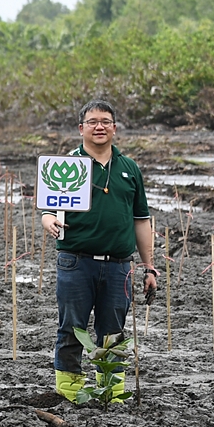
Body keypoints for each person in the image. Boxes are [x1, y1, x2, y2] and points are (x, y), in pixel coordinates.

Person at [40, 99, 156, 402]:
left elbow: (141, 221)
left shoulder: (129, 169)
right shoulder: (65, 166)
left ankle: (111, 394)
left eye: (105, 121)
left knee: (114, 332)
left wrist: (149, 266)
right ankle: (69, 394)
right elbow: (48, 209)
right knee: (71, 328)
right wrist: (49, 219)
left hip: (119, 265)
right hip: (75, 262)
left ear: (115, 128)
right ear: (81, 129)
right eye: (92, 122)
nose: (99, 126)